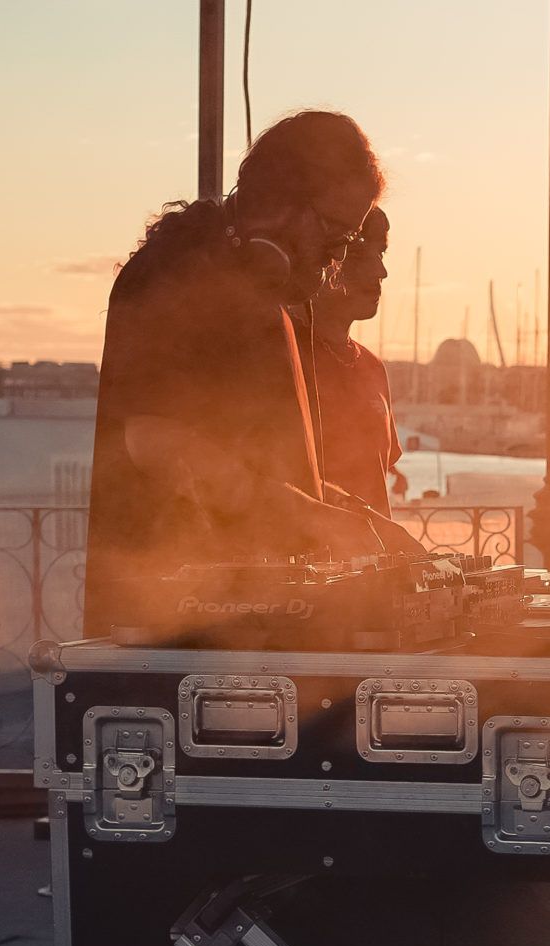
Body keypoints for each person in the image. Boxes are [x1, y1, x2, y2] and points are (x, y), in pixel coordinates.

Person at [83, 109, 420, 636]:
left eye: (348, 241)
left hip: (257, 619)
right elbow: (155, 441)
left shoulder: (270, 297)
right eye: (334, 233)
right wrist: (311, 516)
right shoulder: (172, 273)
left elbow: (271, 471)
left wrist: (363, 521)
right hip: (169, 617)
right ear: (279, 203)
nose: (337, 256)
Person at [305, 207, 404, 517]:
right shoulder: (287, 359)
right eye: (361, 256)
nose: (380, 271)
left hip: (373, 547)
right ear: (324, 260)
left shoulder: (373, 368)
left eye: (381, 254)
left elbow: (377, 475)